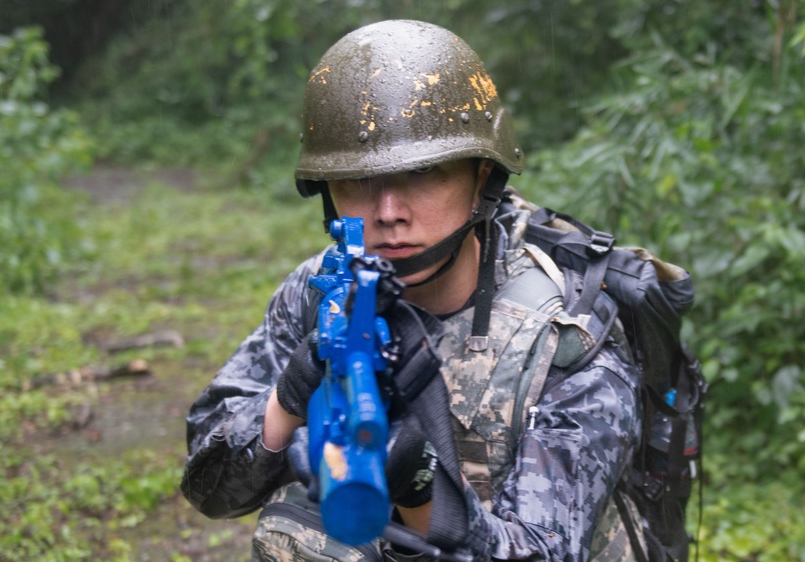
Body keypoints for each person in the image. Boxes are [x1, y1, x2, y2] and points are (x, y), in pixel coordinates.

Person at [181, 19, 645, 561]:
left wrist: (421, 486)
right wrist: (287, 404)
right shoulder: (320, 294)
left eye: (424, 176)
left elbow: (544, 552)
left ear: (482, 179)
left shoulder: (567, 339)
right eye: (356, 182)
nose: (388, 214)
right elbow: (211, 491)